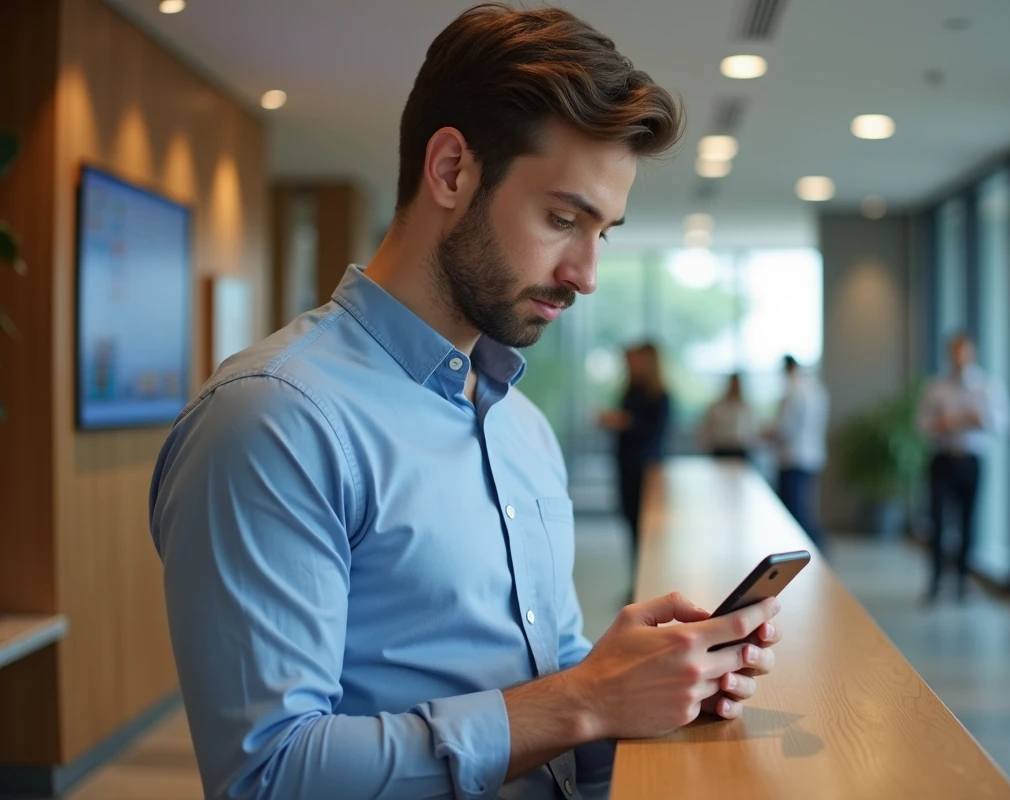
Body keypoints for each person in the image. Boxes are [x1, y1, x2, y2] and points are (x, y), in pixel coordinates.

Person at [149, 6, 785, 799]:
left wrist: (648, 695)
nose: (586, 274)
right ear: (451, 170)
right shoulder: (273, 420)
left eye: (604, 233)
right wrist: (583, 700)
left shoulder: (522, 428)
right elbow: (268, 777)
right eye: (563, 218)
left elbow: (553, 723)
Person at [916, 332, 1010, 602]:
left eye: (963, 351)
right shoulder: (936, 386)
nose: (958, 357)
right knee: (937, 520)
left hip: (971, 460)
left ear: (972, 353)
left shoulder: (987, 385)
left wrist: (979, 419)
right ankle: (935, 579)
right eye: (953, 351)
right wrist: (939, 424)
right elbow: (921, 424)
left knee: (969, 521)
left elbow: (1004, 423)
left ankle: (962, 579)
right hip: (942, 459)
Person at [598, 342, 671, 568]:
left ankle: (648, 578)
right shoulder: (632, 391)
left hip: (646, 468)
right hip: (626, 465)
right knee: (631, 524)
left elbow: (654, 431)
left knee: (646, 528)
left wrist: (624, 421)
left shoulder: (659, 396)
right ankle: (638, 578)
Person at [770, 355, 829, 551]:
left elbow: (785, 428)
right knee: (804, 506)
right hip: (812, 457)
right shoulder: (815, 389)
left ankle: (814, 546)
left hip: (793, 458)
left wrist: (762, 434)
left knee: (793, 510)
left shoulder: (793, 391)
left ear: (787, 369)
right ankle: (816, 545)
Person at [698, 373, 758, 460]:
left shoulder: (746, 407)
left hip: (740, 451)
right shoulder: (716, 407)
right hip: (720, 449)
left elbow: (753, 431)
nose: (735, 386)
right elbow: (706, 429)